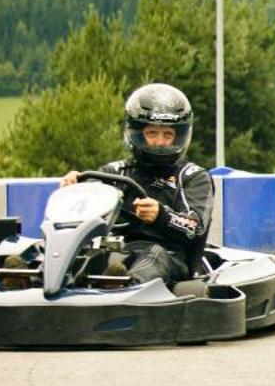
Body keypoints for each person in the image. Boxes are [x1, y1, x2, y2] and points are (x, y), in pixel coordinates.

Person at [58, 83, 213, 289]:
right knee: (87, 255)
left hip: (169, 255)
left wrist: (161, 216)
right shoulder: (114, 172)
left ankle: (124, 287)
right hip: (117, 251)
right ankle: (34, 280)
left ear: (181, 136)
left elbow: (194, 228)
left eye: (168, 135)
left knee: (153, 255)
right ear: (137, 133)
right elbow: (85, 205)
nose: (160, 142)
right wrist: (75, 188)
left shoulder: (193, 177)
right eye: (152, 133)